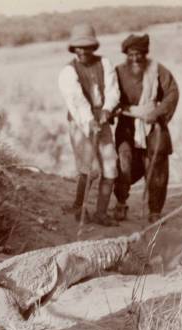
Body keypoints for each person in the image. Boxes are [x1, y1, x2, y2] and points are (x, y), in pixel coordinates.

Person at [58, 24, 120, 226]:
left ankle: (101, 213)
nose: (83, 51)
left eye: (87, 46)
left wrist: (107, 110)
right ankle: (80, 207)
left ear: (94, 47)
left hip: (102, 119)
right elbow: (76, 101)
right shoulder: (68, 72)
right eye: (78, 47)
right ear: (73, 49)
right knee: (90, 168)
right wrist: (90, 121)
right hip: (80, 121)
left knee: (110, 167)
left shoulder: (105, 63)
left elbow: (112, 90)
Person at [113, 34, 179, 223]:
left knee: (157, 164)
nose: (135, 58)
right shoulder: (117, 72)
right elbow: (109, 95)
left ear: (145, 53)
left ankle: (155, 211)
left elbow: (172, 94)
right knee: (123, 162)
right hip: (127, 124)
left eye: (139, 54)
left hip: (153, 124)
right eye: (131, 54)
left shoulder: (158, 70)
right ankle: (121, 202)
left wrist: (157, 112)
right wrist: (114, 110)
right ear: (126, 54)